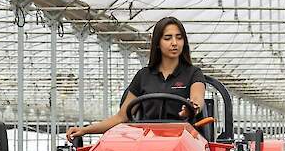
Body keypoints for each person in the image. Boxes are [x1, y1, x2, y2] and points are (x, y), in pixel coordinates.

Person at [65, 16, 207, 141]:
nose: (174, 43)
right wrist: (85, 130)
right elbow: (121, 117)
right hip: (149, 142)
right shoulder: (143, 76)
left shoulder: (193, 73)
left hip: (183, 142)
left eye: (179, 37)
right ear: (157, 43)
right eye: (167, 38)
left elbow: (197, 98)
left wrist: (191, 108)